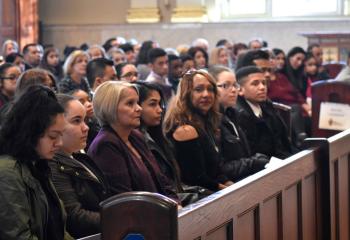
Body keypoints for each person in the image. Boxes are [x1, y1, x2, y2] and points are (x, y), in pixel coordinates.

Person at [0, 85, 73, 240]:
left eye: (61, 135)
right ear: (30, 132)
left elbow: (57, 229)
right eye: (53, 136)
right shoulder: (7, 173)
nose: (59, 143)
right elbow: (18, 236)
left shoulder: (37, 163)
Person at [88, 81, 179, 203]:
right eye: (130, 103)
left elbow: (162, 180)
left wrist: (175, 204)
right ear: (110, 108)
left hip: (162, 209)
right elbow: (126, 198)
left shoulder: (135, 135)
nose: (139, 108)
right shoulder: (105, 145)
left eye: (137, 102)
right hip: (140, 217)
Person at [49, 94, 109, 238]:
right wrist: (120, 219)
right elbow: (74, 217)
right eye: (76, 121)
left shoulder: (78, 157)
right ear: (56, 125)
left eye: (85, 120)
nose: (86, 128)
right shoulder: (52, 165)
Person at [163, 69, 233, 191]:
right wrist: (230, 191)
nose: (206, 94)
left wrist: (229, 183)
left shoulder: (206, 122)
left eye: (210, 89)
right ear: (186, 94)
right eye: (198, 89)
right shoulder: (185, 129)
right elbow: (196, 179)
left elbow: (216, 172)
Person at [209, 66, 270, 181]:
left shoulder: (232, 114)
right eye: (226, 85)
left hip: (245, 178)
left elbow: (244, 155)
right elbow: (221, 169)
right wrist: (253, 163)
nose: (233, 90)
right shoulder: (212, 121)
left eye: (235, 85)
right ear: (211, 89)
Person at [235, 66, 293, 158]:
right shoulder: (240, 114)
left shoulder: (267, 106)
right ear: (240, 90)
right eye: (255, 84)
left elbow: (282, 140)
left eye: (264, 83)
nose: (262, 87)